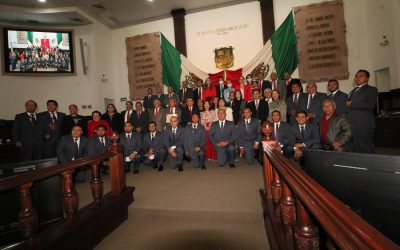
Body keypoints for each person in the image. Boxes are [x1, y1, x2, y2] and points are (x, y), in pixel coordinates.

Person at [346, 69, 378, 153]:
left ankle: (369, 165)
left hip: (364, 125)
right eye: (356, 76)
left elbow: (370, 105)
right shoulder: (352, 91)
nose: (357, 78)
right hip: (352, 124)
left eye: (361, 76)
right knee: (356, 147)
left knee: (366, 147)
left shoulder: (371, 89)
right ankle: (359, 165)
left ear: (367, 78)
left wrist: (352, 104)